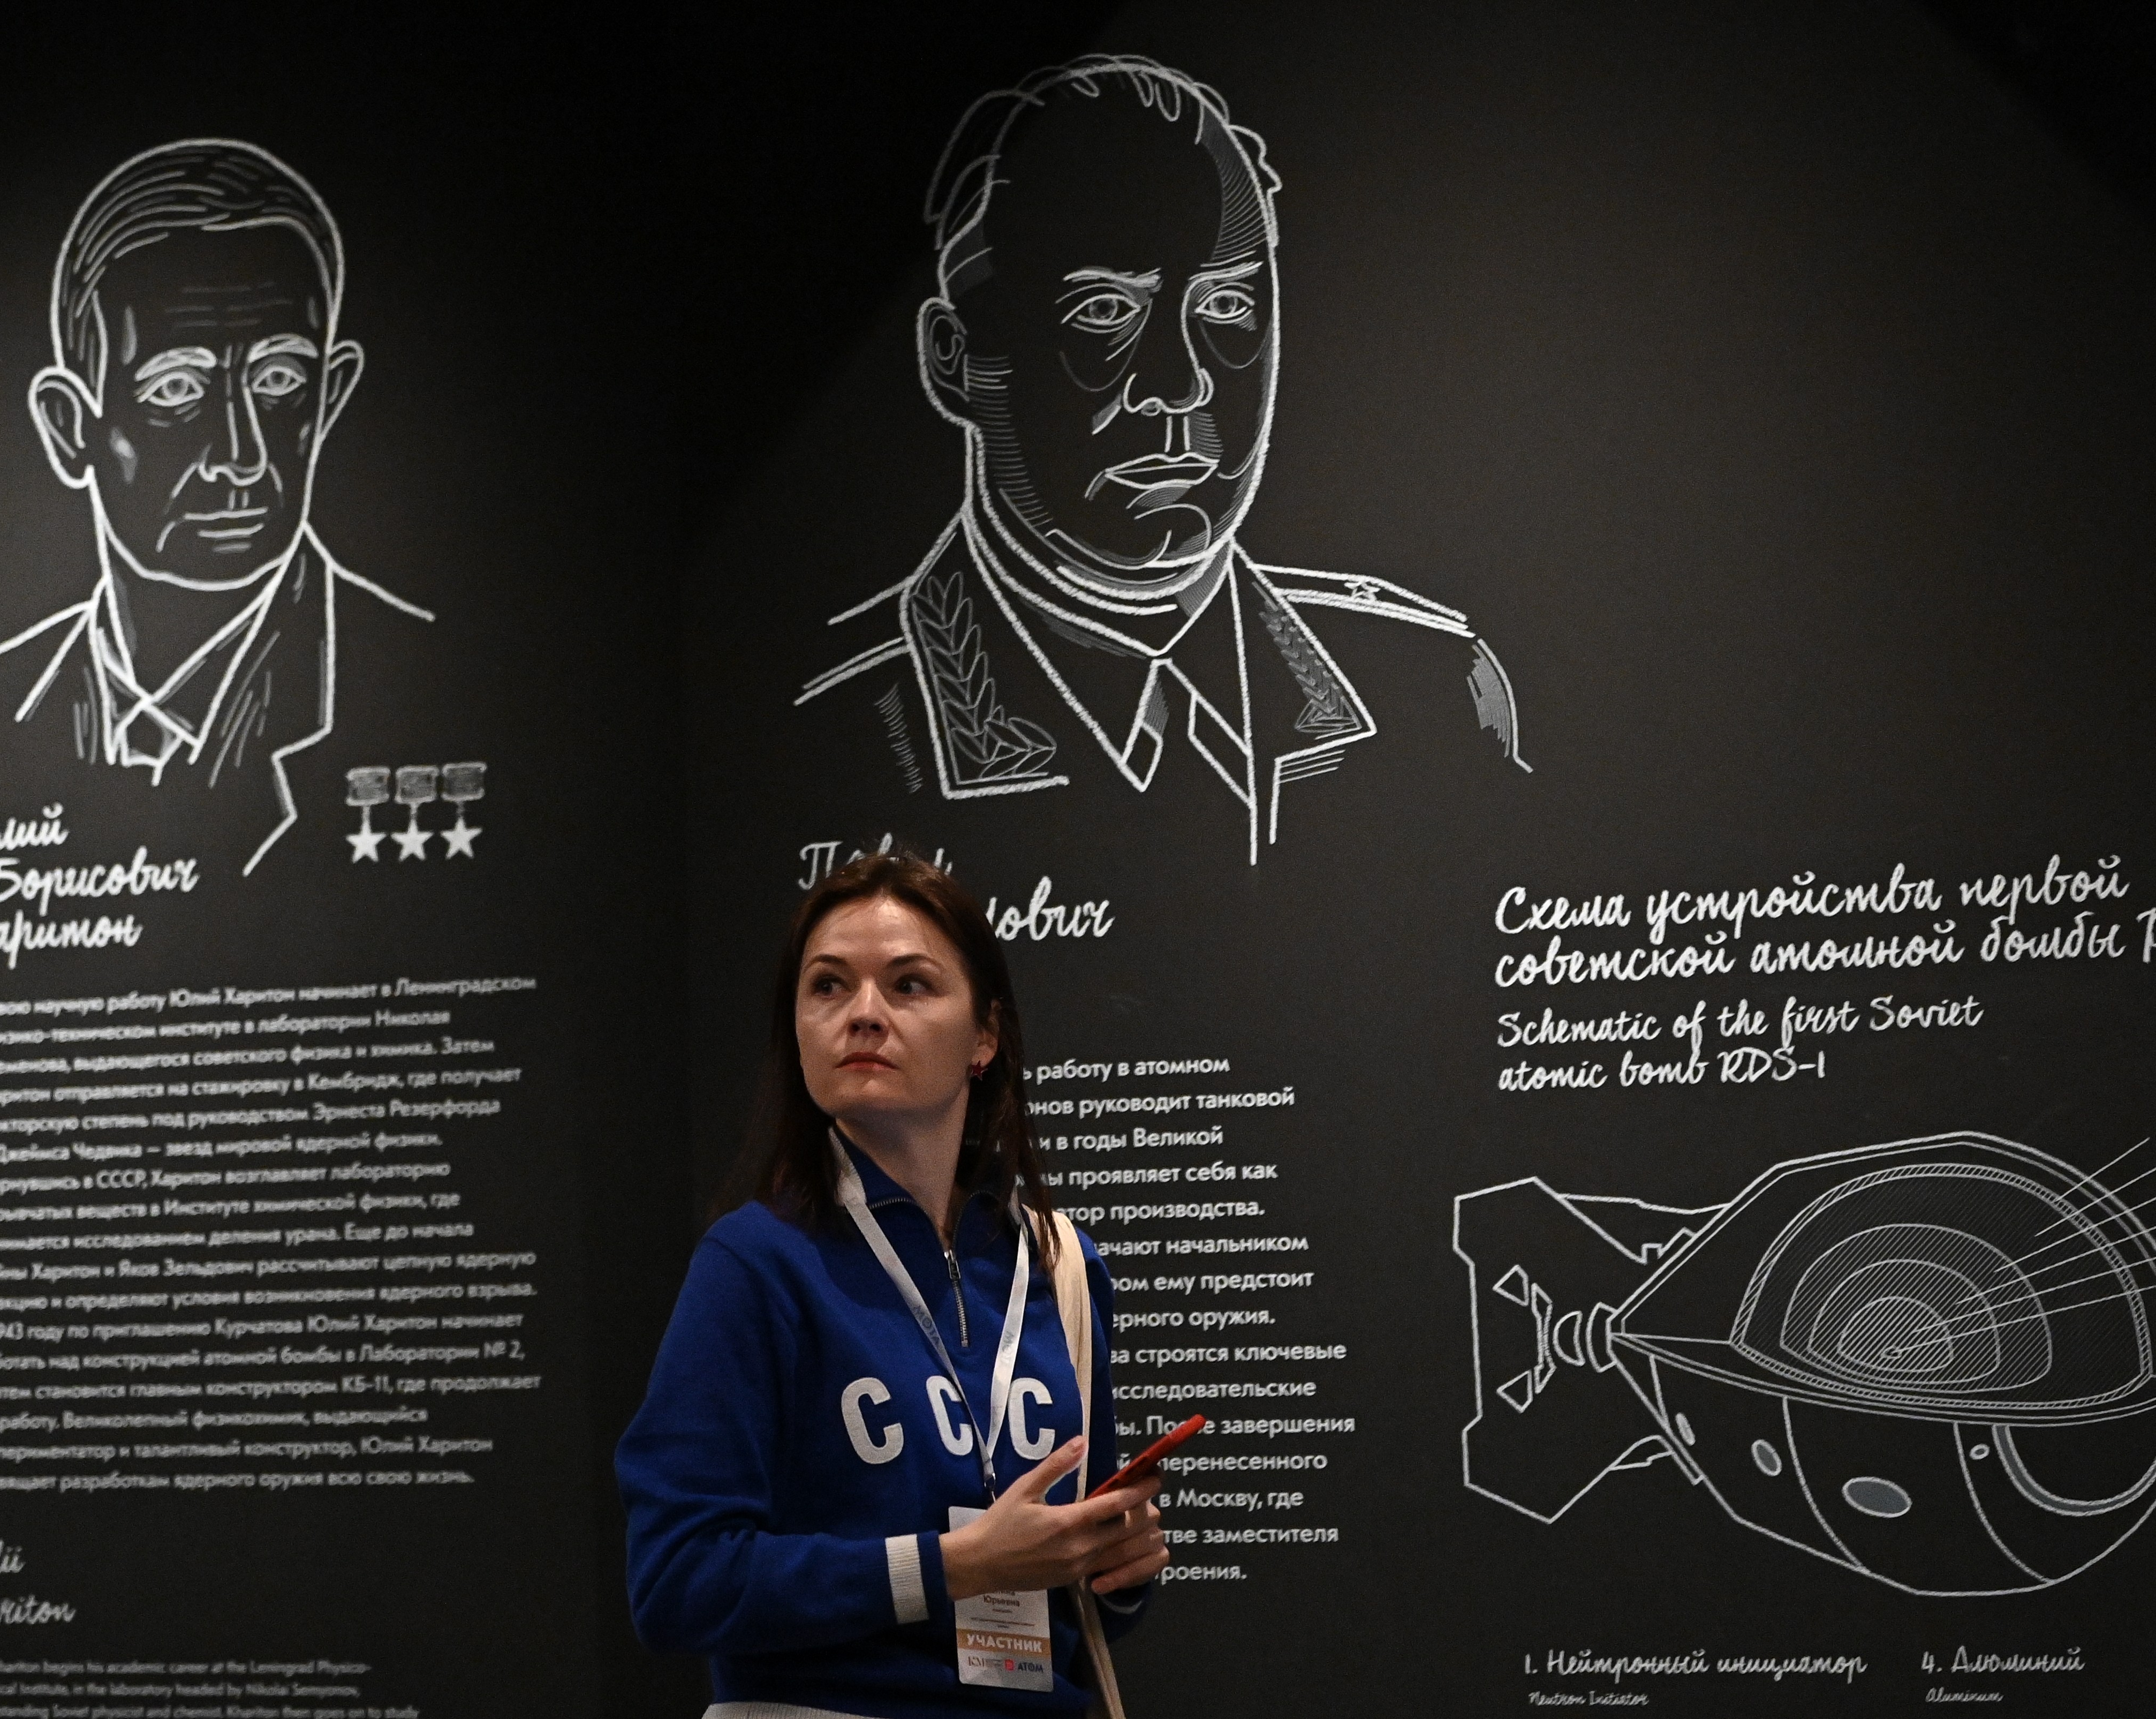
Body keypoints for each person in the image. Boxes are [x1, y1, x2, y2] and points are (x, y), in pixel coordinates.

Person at [799, 56, 1528, 864]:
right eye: (1104, 310)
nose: (1177, 385)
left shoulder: (1436, 691)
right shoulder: (832, 732)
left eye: (1225, 304)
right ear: (955, 358)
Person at [619, 851, 1164, 1716]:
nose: (863, 1013)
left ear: (984, 1036)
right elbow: (677, 1579)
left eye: (909, 984)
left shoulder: (1060, 1264)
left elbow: (1074, 1600)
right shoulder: (755, 1262)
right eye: (828, 986)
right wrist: (948, 1567)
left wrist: (1115, 1565)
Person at [0, 138, 432, 874]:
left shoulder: (430, 680)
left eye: (279, 379)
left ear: (329, 399)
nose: (241, 456)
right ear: (69, 427)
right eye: (176, 389)